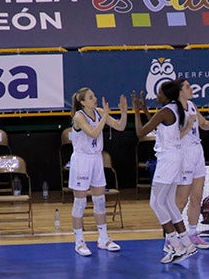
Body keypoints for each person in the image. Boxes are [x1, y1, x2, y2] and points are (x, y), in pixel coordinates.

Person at [135, 80, 198, 264]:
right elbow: (157, 125)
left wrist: (136, 111)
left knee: (156, 203)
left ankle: (176, 245)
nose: (157, 96)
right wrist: (146, 110)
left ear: (167, 95)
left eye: (159, 93)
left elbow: (140, 132)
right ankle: (187, 244)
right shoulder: (173, 109)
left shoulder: (165, 111)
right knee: (169, 202)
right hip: (174, 157)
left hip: (169, 160)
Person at [68, 88, 127, 256]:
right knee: (80, 203)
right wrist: (105, 116)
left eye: (94, 96)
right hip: (82, 160)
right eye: (91, 97)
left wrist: (123, 112)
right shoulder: (79, 116)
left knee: (100, 200)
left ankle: (103, 238)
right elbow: (93, 134)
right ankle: (79, 242)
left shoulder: (99, 112)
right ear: (83, 102)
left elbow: (121, 127)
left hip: (96, 159)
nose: (95, 99)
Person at [174, 79, 209, 249]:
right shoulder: (173, 110)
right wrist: (189, 124)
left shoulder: (191, 105)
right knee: (181, 199)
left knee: (197, 197)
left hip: (197, 152)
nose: (191, 89)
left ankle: (193, 234)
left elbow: (203, 125)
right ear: (179, 92)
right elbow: (175, 136)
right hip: (184, 154)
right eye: (187, 87)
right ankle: (173, 237)